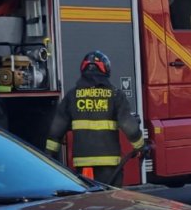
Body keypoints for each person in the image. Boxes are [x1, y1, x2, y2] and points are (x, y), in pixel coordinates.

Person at [45, 50, 145, 187]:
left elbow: (56, 130)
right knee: (111, 200)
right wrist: (141, 146)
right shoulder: (114, 95)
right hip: (109, 165)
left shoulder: (72, 96)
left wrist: (49, 157)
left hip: (83, 165)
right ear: (105, 69)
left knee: (88, 201)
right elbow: (130, 127)